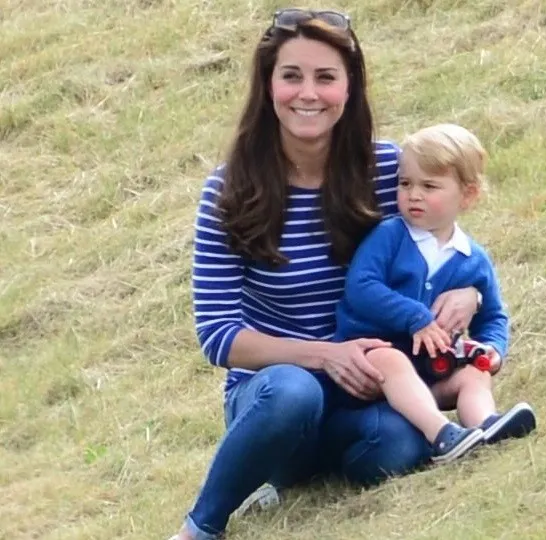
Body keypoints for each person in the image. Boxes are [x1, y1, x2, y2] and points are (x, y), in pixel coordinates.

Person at [171, 9, 481, 540]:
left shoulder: (389, 171)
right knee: (295, 394)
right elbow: (217, 335)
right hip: (273, 392)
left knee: (398, 448)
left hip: (365, 388)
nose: (307, 94)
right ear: (268, 85)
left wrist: (469, 292)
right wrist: (324, 355)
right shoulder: (227, 192)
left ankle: (296, 472)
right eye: (291, 76)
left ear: (350, 87)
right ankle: (203, 524)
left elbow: (442, 246)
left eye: (325, 77)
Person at [334, 123, 537, 462]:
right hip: (373, 362)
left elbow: (493, 315)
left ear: (468, 195)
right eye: (405, 183)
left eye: (429, 186)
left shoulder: (473, 258)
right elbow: (360, 287)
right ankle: (442, 434)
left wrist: (492, 349)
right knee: (391, 358)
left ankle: (485, 424)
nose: (414, 194)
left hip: (432, 372)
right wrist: (416, 317)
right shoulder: (389, 236)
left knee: (474, 373)